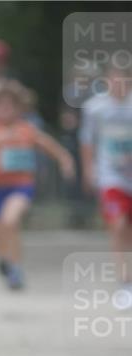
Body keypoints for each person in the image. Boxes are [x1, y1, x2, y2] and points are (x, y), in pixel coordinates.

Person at [0, 78, 75, 290]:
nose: (5, 111)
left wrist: (65, 160)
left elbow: (49, 145)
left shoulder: (26, 129)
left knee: (11, 221)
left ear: (18, 108)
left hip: (20, 186)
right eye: (0, 106)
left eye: (10, 106)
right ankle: (3, 258)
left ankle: (16, 267)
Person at [80, 62, 132, 305]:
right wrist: (89, 170)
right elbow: (87, 140)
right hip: (111, 177)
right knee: (118, 225)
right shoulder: (95, 108)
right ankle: (124, 282)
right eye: (114, 79)